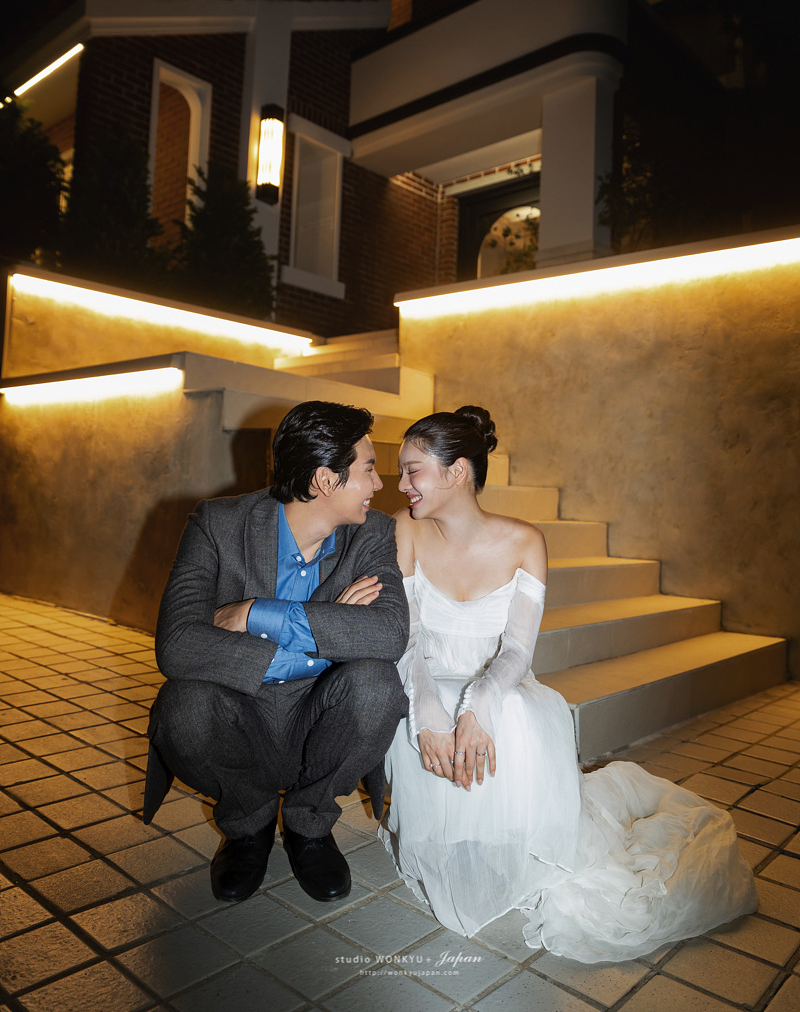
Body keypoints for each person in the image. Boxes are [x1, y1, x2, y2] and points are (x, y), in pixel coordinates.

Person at [378, 406, 757, 962]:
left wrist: (479, 703)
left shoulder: (526, 541)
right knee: (416, 713)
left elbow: (516, 652)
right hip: (425, 676)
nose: (402, 484)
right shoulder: (404, 529)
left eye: (413, 471)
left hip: (498, 680)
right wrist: (430, 711)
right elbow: (405, 638)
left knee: (515, 715)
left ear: (457, 471)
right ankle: (453, 828)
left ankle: (508, 832)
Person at [144, 400, 408, 905]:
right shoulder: (218, 524)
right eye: (369, 469)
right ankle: (250, 823)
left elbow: (389, 634)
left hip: (320, 712)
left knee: (376, 685)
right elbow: (177, 645)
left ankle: (309, 824)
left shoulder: (372, 533)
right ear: (325, 479)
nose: (379, 483)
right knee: (184, 704)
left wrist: (257, 615)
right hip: (239, 709)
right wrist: (327, 631)